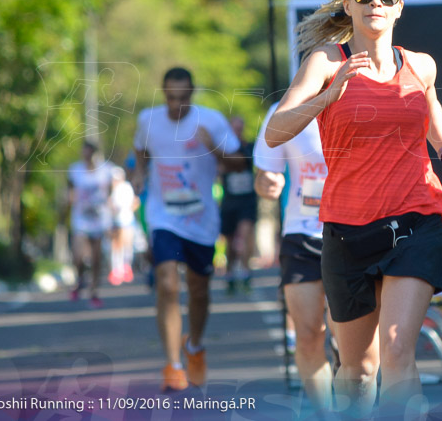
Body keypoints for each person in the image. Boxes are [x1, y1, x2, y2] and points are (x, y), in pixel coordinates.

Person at [266, 0, 442, 416]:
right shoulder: (324, 62)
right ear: (348, 4)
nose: (375, 2)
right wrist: (328, 95)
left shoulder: (420, 65)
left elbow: (431, 105)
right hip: (347, 228)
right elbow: (275, 131)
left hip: (415, 218)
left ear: (399, 9)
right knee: (358, 369)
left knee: (398, 353)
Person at [133, 67, 242, 392]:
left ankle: (193, 346)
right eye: (170, 97)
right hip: (163, 214)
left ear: (192, 95)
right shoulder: (148, 119)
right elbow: (140, 149)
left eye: (182, 98)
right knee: (167, 282)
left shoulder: (211, 121)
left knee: (199, 290)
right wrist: (139, 172)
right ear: (162, 93)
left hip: (201, 219)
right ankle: (173, 365)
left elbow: (239, 163)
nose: (175, 104)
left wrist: (218, 151)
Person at [254, 103, 333, 413]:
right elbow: (264, 176)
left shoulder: (363, 101)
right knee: (309, 336)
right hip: (302, 234)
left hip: (354, 234)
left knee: (352, 345)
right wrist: (267, 184)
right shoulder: (284, 110)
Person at [67, 141, 114, 308]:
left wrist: (111, 222)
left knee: (96, 258)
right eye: (83, 152)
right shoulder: (75, 170)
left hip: (100, 220)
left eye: (88, 152)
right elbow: (70, 192)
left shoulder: (106, 170)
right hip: (80, 218)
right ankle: (79, 280)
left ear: (94, 153)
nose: (86, 155)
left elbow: (111, 195)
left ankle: (94, 291)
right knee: (78, 255)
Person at [220, 115, 257, 294]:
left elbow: (246, 164)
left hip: (247, 200)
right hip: (229, 201)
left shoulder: (249, 147)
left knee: (243, 236)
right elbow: (220, 168)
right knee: (229, 242)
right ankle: (229, 274)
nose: (237, 132)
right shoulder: (223, 149)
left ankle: (245, 272)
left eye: (239, 128)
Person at [108, 166, 139, 285]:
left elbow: (135, 202)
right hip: (116, 221)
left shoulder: (126, 187)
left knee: (126, 244)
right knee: (116, 245)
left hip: (126, 220)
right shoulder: (112, 190)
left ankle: (126, 268)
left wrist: (129, 211)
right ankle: (117, 269)